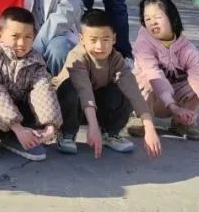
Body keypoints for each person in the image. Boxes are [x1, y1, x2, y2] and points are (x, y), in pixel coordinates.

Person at [54, 9, 161, 159]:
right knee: (69, 88)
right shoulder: (76, 57)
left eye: (105, 39)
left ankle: (110, 133)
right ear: (81, 39)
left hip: (96, 106)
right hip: (74, 107)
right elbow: (84, 90)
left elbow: (133, 91)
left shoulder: (116, 59)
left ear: (114, 38)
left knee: (124, 88)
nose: (100, 46)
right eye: (93, 40)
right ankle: (67, 133)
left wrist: (149, 127)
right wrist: (92, 126)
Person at [0, 6, 61, 163]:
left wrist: (50, 126)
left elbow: (42, 89)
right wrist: (17, 126)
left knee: (39, 100)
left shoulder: (35, 59)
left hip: (16, 114)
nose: (22, 43)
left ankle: (16, 138)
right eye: (15, 36)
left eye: (28, 37)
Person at [131, 0, 199, 141]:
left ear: (172, 18)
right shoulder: (143, 44)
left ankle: (183, 122)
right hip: (153, 100)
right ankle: (142, 119)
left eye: (158, 17)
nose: (153, 22)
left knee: (197, 83)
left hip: (176, 101)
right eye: (147, 19)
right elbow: (153, 73)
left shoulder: (187, 48)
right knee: (147, 79)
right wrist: (173, 106)